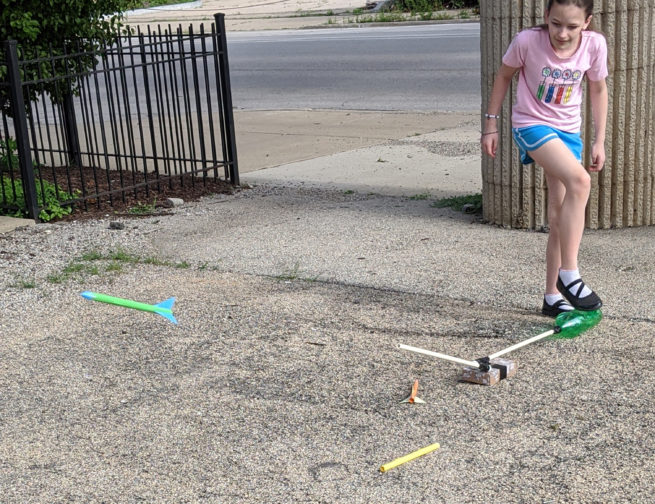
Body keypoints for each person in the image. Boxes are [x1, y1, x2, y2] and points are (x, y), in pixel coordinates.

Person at [481, 0, 607, 317]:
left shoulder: (594, 45)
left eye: (572, 26)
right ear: (546, 18)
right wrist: (490, 125)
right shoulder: (527, 41)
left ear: (587, 22)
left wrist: (599, 139)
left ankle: (552, 296)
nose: (562, 33)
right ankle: (570, 274)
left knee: (557, 217)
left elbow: (598, 90)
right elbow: (503, 76)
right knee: (580, 180)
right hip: (531, 124)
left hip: (568, 131)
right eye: (555, 24)